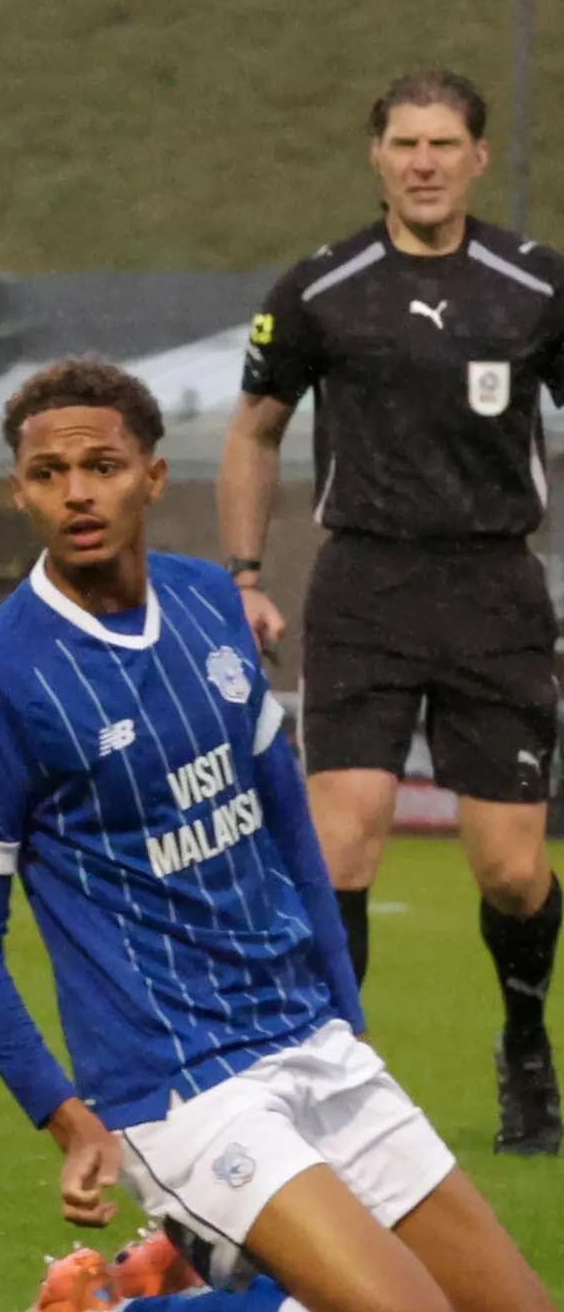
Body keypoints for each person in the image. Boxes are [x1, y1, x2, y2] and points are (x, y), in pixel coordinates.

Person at [0, 355, 560, 1312]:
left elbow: (280, 813)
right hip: (176, 1087)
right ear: (20, 491)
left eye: (102, 465)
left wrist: (341, 1008)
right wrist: (67, 1116)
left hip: (306, 1036)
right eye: (49, 474)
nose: (77, 493)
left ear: (152, 475)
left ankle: (197, 1263)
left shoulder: (208, 604)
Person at [221, 70, 564, 1156]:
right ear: (376, 156)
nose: (423, 160)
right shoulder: (323, 288)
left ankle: (523, 1044)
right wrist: (242, 574)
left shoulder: (536, 286)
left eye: (443, 142)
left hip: (495, 591)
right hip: (364, 584)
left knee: (511, 869)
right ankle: (339, 1083)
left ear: (476, 157)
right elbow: (255, 429)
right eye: (404, 142)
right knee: (341, 850)